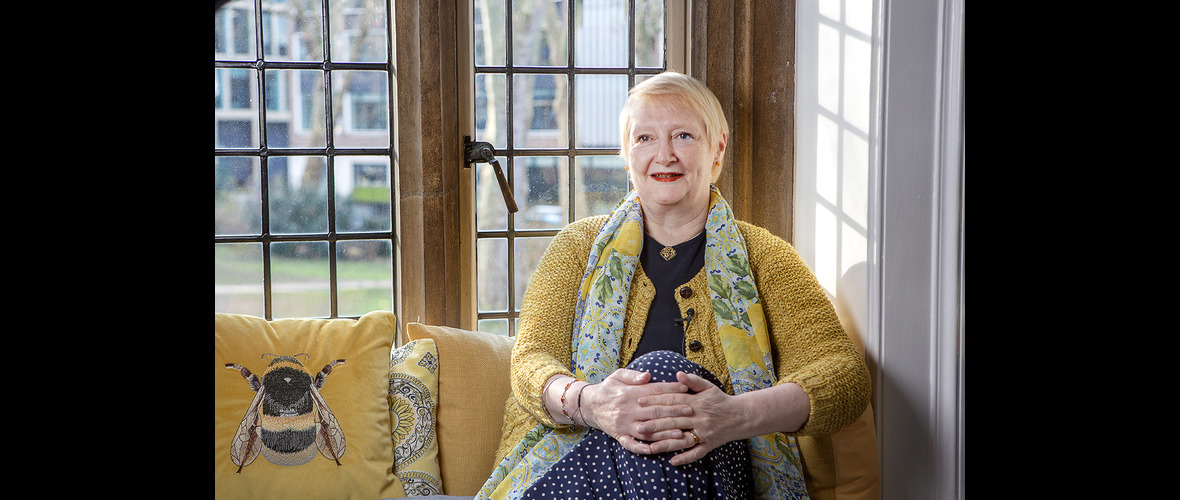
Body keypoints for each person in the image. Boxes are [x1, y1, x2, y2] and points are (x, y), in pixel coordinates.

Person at [476, 71, 871, 499]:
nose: (663, 155)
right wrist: (595, 404)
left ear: (716, 150)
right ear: (627, 155)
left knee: (665, 374)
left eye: (682, 136)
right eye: (645, 138)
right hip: (579, 460)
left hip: (717, 472)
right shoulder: (576, 247)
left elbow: (843, 375)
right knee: (660, 378)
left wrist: (732, 416)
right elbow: (531, 360)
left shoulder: (765, 257)